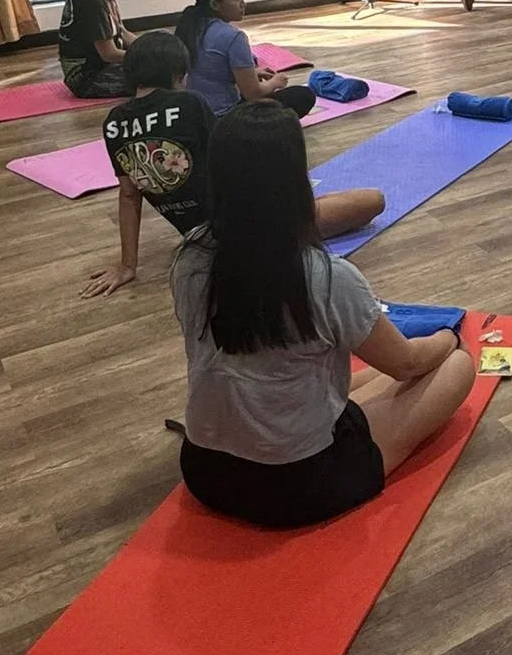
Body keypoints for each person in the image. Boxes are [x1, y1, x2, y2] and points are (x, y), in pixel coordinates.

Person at [171, 102, 475, 529]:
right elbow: (406, 363)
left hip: (204, 471)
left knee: (351, 378)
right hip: (299, 486)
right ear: (297, 180)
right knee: (456, 365)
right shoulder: (325, 276)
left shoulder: (188, 256)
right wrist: (447, 337)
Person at [83, 32, 385, 299]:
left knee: (316, 201)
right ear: (179, 74)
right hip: (248, 227)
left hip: (200, 237)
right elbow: (231, 160)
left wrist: (127, 265)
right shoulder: (188, 103)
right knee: (373, 200)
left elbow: (128, 195)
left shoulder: (114, 123)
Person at [175, 0, 315, 117]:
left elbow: (209, 72)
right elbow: (254, 94)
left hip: (193, 115)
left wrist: (250, 74)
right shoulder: (233, 37)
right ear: (215, 4)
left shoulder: (190, 27)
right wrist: (275, 82)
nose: (243, 3)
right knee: (303, 95)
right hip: (224, 117)